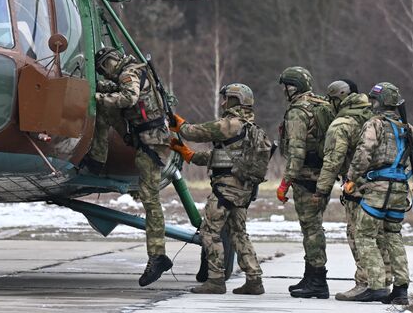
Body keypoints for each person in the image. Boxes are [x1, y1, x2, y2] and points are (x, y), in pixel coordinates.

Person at [83, 47, 173, 287]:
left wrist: (95, 98)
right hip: (146, 137)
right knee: (104, 110)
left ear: (111, 62)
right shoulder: (135, 70)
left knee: (150, 199)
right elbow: (118, 90)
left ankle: (157, 255)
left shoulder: (128, 75)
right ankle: (97, 159)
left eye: (103, 68)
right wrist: (96, 88)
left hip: (151, 143)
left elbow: (128, 98)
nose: (105, 73)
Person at [170, 83, 270, 295]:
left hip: (225, 190)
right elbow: (223, 158)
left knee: (210, 231)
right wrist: (190, 155)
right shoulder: (251, 129)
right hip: (243, 191)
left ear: (235, 100)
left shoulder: (230, 124)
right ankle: (254, 280)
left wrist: (179, 125)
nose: (223, 102)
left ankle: (215, 280)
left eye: (226, 98)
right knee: (239, 233)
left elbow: (196, 132)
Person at [344, 82, 413, 304]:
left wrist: (351, 179)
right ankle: (401, 289)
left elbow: (364, 152)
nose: (372, 103)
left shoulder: (374, 124)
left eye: (374, 99)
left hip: (377, 190)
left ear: (380, 102)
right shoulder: (407, 128)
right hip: (400, 190)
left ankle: (376, 285)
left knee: (364, 235)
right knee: (393, 236)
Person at [314, 80, 392, 300]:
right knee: (379, 235)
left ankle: (365, 283)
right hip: (384, 186)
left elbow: (332, 160)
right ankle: (384, 280)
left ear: (338, 99)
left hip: (357, 187)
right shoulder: (376, 118)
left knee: (358, 234)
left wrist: (321, 190)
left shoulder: (342, 124)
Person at [276, 66, 335, 299]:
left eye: (285, 87)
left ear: (293, 88)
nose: (284, 92)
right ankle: (310, 275)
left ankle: (318, 281)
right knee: (314, 227)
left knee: (311, 230)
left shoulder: (298, 111)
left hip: (305, 178)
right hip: (323, 176)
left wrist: (285, 182)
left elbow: (297, 151)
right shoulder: (323, 105)